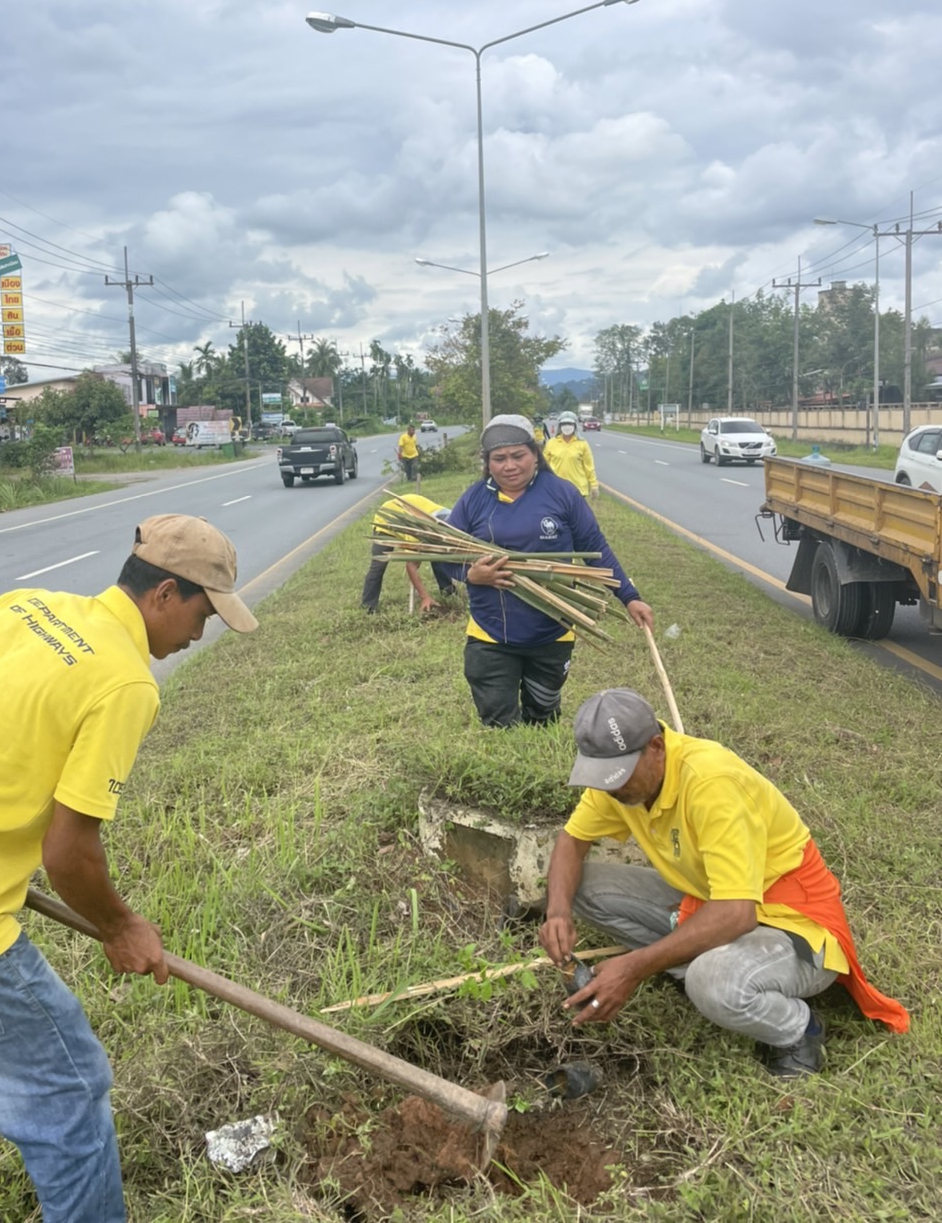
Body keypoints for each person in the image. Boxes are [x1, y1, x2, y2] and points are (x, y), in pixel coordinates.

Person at [0, 514, 258, 1223]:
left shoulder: (28, 607)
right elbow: (68, 854)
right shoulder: (125, 684)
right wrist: (121, 928)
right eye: (202, 613)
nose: (199, 632)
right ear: (163, 594)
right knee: (69, 1102)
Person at [540, 689, 909, 1078]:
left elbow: (736, 914)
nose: (611, 790)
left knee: (712, 981)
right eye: (602, 778)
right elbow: (572, 841)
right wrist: (557, 913)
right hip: (712, 900)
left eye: (618, 777)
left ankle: (797, 1028)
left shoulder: (713, 783)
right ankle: (693, 963)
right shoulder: (618, 786)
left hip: (794, 926)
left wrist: (634, 967)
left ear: (656, 747)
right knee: (583, 888)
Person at [446, 414, 653, 727]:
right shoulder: (474, 500)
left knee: (543, 717)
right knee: (498, 725)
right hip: (490, 632)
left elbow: (594, 548)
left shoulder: (561, 493)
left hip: (552, 630)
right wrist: (471, 574)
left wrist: (629, 596)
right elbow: (444, 553)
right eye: (499, 459)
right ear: (487, 462)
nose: (509, 466)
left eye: (518, 455)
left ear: (536, 454)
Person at [361, 493, 457, 613]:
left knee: (438, 554)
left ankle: (448, 592)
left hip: (409, 506)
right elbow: (411, 566)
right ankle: (368, 607)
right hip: (386, 519)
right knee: (379, 564)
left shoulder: (451, 518)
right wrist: (425, 597)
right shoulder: (419, 532)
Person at [544, 411, 599, 499]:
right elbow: (543, 466)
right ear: (560, 426)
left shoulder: (582, 444)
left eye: (570, 424)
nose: (567, 426)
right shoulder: (551, 443)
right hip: (556, 489)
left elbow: (589, 466)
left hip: (578, 489)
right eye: (564, 424)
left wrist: (594, 485)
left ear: (575, 425)